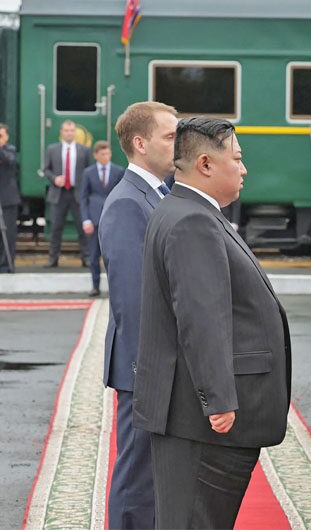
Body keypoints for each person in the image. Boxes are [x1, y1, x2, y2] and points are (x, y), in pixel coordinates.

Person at [134, 117, 291, 529]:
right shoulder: (193, 221)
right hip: (203, 422)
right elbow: (201, 318)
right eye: (236, 159)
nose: (243, 169)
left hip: (191, 412)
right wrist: (218, 399)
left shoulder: (187, 210)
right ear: (205, 163)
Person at [98, 101, 178, 530]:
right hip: (143, 365)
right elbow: (133, 299)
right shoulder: (129, 203)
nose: (178, 143)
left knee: (152, 476)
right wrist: (149, 370)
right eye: (169, 136)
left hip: (154, 364)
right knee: (136, 477)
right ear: (140, 143)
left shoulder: (155, 194)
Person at [43, 120, 92, 268]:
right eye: (66, 130)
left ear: (75, 133)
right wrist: (54, 178)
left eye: (72, 131)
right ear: (61, 132)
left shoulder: (84, 150)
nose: (69, 133)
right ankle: (53, 259)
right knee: (56, 228)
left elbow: (89, 171)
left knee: (82, 228)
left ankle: (86, 258)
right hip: (59, 193)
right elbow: (46, 169)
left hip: (77, 194)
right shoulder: (52, 149)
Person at [80, 141, 124, 296]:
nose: (106, 157)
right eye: (103, 154)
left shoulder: (119, 171)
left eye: (108, 153)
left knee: (113, 256)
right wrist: (86, 219)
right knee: (93, 256)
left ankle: (115, 288)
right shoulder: (88, 173)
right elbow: (83, 198)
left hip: (112, 220)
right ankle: (95, 286)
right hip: (94, 220)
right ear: (96, 155)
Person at [0, 123, 20, 273]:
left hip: (7, 198)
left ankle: (7, 263)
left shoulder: (10, 150)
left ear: (6, 137)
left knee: (8, 233)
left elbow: (9, 160)